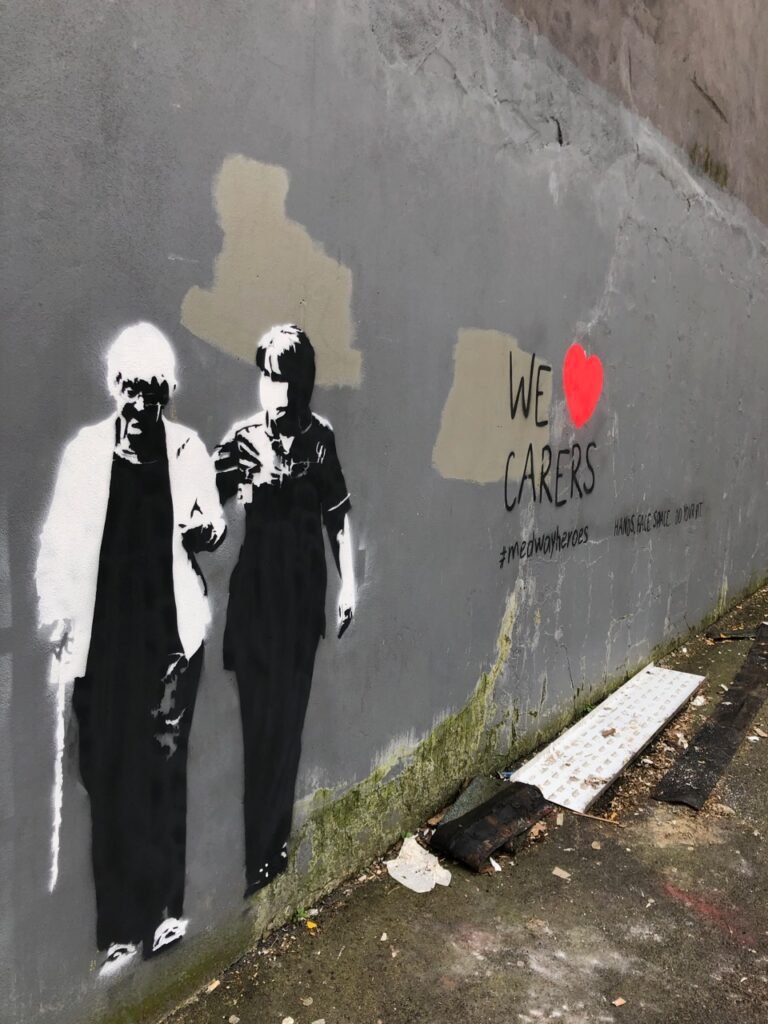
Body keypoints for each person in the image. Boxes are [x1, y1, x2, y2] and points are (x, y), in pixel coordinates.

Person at [36, 322, 226, 974]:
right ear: (117, 389)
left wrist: (205, 526)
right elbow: (57, 542)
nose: (143, 405)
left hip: (171, 646)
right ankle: (118, 928)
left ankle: (164, 912)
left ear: (166, 393)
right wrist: (55, 615)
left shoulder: (185, 450)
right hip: (102, 649)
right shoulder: (87, 454)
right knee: (107, 776)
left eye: (154, 393)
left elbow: (213, 522)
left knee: (161, 774)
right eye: (132, 391)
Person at [215, 324, 356, 897]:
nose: (273, 390)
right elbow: (200, 503)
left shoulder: (320, 439)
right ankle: (257, 859)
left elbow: (338, 517)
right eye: (267, 378)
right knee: (258, 735)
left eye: (283, 379)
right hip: (254, 613)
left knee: (287, 734)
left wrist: (351, 586)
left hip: (300, 613)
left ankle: (272, 847)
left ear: (302, 385)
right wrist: (231, 486)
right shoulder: (244, 439)